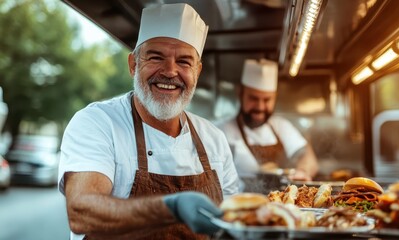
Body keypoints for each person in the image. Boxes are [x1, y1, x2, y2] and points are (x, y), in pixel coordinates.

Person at [58, 3, 239, 240]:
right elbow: (82, 213)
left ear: (197, 72)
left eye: (184, 62)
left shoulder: (213, 139)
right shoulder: (97, 122)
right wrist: (171, 208)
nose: (170, 71)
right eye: (156, 57)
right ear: (133, 64)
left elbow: (235, 220)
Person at [218, 58, 318, 191]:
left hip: (281, 204)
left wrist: (303, 171)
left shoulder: (281, 126)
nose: (260, 107)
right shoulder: (222, 132)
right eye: (253, 98)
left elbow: (306, 155)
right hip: (242, 205)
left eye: (267, 100)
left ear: (275, 97)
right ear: (240, 93)